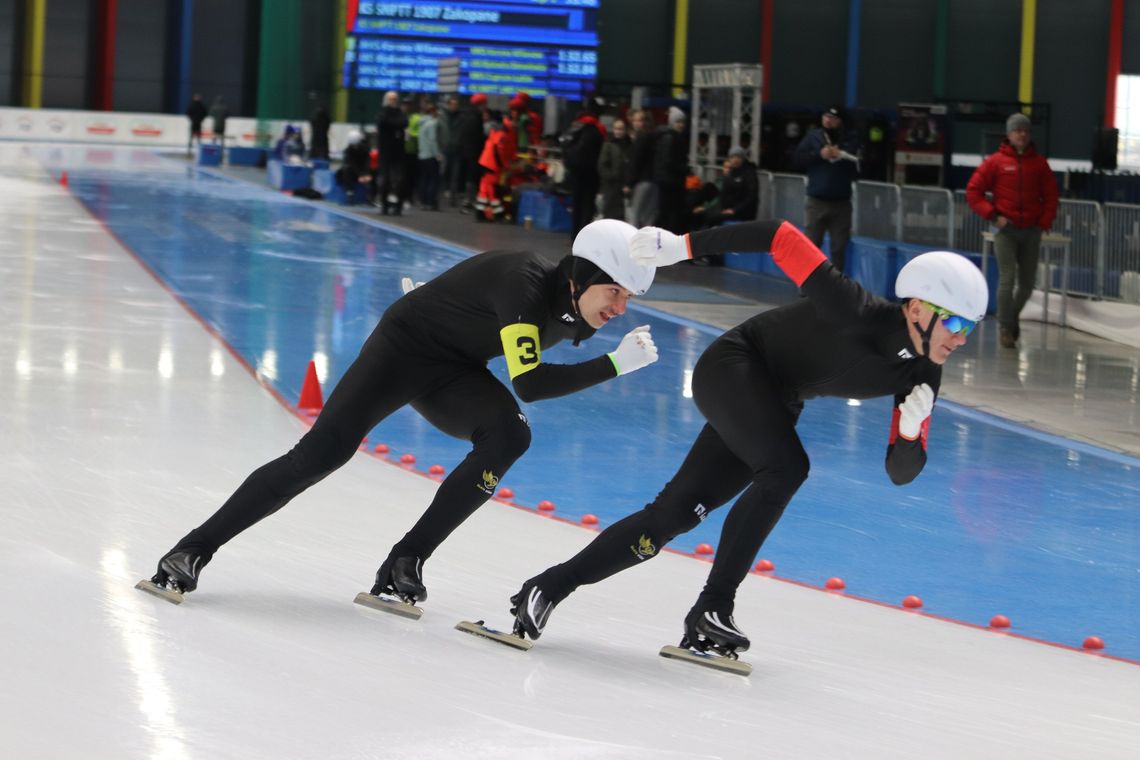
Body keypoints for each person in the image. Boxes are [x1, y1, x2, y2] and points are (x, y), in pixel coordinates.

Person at [508, 220, 988, 659]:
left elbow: (899, 473)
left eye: (969, 328)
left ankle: (547, 588)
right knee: (786, 468)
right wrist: (683, 247)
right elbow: (780, 238)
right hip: (735, 365)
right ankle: (715, 605)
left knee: (673, 516)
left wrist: (908, 435)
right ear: (919, 309)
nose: (961, 339)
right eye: (955, 323)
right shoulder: (856, 309)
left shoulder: (924, 373)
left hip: (776, 398)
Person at [142, 220, 662, 606]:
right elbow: (530, 383)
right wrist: (615, 365)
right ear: (581, 274)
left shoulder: (578, 311)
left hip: (454, 367)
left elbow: (503, 337)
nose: (619, 308)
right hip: (403, 349)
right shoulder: (523, 282)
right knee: (321, 454)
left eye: (629, 297)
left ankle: (405, 561)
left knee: (509, 436)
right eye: (614, 291)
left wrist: (451, 303)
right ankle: (190, 550)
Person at [965, 112, 1059, 348]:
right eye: (1018, 130)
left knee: (1027, 284)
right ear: (1009, 134)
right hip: (1006, 230)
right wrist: (993, 215)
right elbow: (973, 191)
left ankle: (1011, 316)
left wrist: (1044, 222)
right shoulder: (995, 162)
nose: (1022, 134)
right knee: (1007, 278)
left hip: (1031, 230)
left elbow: (1051, 195)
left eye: (1026, 130)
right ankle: (1005, 327)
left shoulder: (1039, 164)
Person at [793, 105, 859, 273]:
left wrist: (842, 155)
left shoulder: (850, 138)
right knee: (811, 245)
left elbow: (859, 166)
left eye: (833, 118)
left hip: (841, 202)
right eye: (826, 117)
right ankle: (808, 284)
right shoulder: (813, 137)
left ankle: (835, 286)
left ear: (840, 121)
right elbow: (797, 160)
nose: (828, 121)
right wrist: (819, 155)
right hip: (817, 201)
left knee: (838, 247)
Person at [562, 99, 606, 236]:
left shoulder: (576, 125)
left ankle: (574, 234)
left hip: (575, 171)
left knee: (576, 204)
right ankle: (584, 235)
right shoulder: (598, 128)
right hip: (591, 172)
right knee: (588, 205)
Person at [692, 147, 759, 229]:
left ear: (743, 158)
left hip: (742, 213)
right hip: (727, 209)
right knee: (700, 215)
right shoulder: (730, 174)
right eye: (732, 157)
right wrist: (709, 209)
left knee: (710, 218)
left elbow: (751, 197)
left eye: (738, 157)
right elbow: (722, 196)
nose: (735, 160)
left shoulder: (749, 174)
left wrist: (734, 210)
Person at [653, 106, 689, 234]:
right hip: (671, 182)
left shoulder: (669, 137)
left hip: (668, 181)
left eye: (683, 122)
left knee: (667, 212)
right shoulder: (672, 138)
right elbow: (670, 161)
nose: (681, 125)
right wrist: (684, 169)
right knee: (670, 213)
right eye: (678, 122)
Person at [376, 91, 408, 216]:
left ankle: (398, 206)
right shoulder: (382, 114)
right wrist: (395, 125)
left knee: (400, 180)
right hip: (385, 151)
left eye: (394, 99)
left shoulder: (400, 113)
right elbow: (384, 123)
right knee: (385, 180)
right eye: (390, 99)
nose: (392, 101)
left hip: (398, 151)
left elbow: (404, 123)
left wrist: (393, 124)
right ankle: (384, 205)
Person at [627, 109, 659, 227]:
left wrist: (629, 183)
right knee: (648, 217)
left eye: (639, 120)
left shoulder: (641, 138)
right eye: (634, 120)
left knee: (634, 214)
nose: (636, 123)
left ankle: (633, 243)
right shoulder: (655, 137)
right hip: (654, 181)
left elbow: (635, 162)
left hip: (641, 181)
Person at [597, 117, 632, 220]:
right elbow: (602, 165)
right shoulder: (608, 145)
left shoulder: (630, 145)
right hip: (611, 186)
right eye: (616, 128)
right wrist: (611, 177)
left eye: (621, 129)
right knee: (610, 213)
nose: (619, 131)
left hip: (624, 186)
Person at [416, 102, 442, 211]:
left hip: (422, 155)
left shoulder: (421, 124)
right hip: (431, 155)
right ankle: (431, 202)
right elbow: (433, 140)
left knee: (424, 179)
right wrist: (438, 154)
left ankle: (423, 201)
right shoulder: (432, 124)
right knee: (433, 180)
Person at [335, 129, 372, 203]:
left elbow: (367, 162)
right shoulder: (348, 151)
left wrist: (365, 174)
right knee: (346, 171)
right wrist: (360, 175)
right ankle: (350, 193)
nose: (355, 146)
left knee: (373, 173)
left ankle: (371, 195)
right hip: (355, 171)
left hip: (363, 170)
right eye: (353, 145)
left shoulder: (365, 149)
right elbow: (351, 164)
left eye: (356, 145)